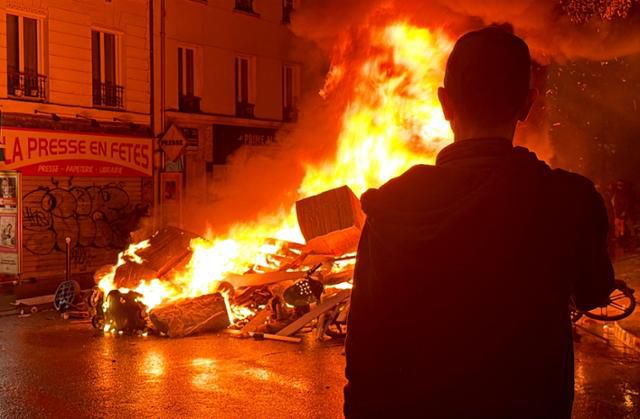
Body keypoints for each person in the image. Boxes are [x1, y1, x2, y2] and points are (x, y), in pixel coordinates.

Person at [344, 25, 614, 418]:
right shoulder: (569, 200)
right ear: (527, 104)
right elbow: (594, 291)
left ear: (445, 103)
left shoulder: (392, 206)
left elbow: (364, 346)